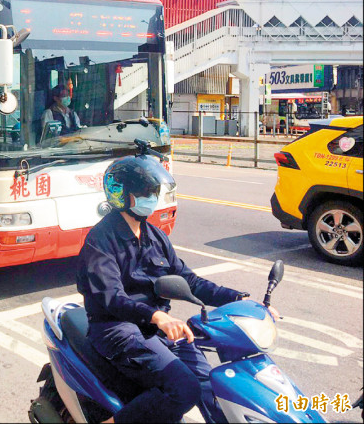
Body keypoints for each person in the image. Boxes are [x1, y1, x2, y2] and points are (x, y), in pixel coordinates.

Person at [76, 155, 279, 424]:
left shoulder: (155, 236)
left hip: (161, 327)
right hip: (118, 328)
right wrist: (156, 316)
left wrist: (241, 299)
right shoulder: (101, 240)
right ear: (122, 195)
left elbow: (189, 281)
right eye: (145, 192)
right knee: (184, 388)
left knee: (212, 384)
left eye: (154, 192)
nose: (152, 198)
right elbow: (112, 298)